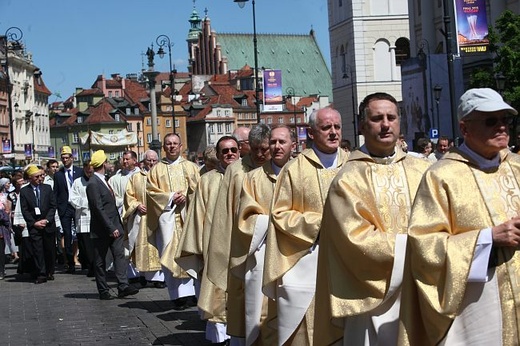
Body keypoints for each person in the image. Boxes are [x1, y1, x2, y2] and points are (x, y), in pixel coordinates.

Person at [398, 88, 520, 345]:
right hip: (478, 304)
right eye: (491, 121)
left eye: (505, 120)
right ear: (465, 128)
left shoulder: (516, 166)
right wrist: (488, 238)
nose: (501, 127)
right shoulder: (442, 176)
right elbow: (424, 245)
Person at [313, 93, 431, 345]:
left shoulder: (423, 170)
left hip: (423, 288)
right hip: (371, 296)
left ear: (400, 122)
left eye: (391, 117)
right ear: (363, 126)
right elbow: (354, 239)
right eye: (377, 118)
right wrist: (419, 248)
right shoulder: (349, 178)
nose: (386, 124)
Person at [263, 107, 349, 345]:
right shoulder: (295, 169)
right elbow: (280, 214)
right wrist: (318, 224)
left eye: (337, 127)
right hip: (308, 259)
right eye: (326, 128)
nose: (333, 133)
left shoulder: (354, 166)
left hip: (349, 260)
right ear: (311, 132)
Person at [229, 124, 296, 345]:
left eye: (280, 142)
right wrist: (273, 222)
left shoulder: (302, 174)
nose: (276, 148)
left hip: (296, 254)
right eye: (273, 143)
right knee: (262, 311)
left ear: (292, 146)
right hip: (263, 253)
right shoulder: (253, 179)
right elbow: (245, 219)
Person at [206, 124, 271, 344]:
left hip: (275, 247)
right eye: (255, 149)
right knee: (243, 302)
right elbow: (224, 215)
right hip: (242, 247)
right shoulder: (236, 171)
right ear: (247, 148)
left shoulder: (281, 167)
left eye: (265, 149)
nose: (260, 154)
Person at [175, 135, 240, 344]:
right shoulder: (207, 181)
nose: (230, 154)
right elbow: (197, 216)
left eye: (233, 150)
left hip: (243, 250)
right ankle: (221, 339)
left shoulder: (250, 176)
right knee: (217, 298)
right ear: (219, 156)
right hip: (215, 252)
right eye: (225, 151)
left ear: (239, 152)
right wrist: (200, 249)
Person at [146, 134, 200, 309]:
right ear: (163, 147)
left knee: (190, 252)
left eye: (175, 144)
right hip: (167, 219)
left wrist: (186, 196)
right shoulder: (156, 170)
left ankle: (193, 293)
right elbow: (151, 193)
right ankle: (176, 296)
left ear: (181, 146)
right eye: (168, 144)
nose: (172, 147)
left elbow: (200, 190)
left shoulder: (192, 167)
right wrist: (170, 197)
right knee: (170, 254)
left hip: (188, 218)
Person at [86, 150, 139, 300]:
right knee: (100, 260)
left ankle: (123, 286)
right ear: (103, 164)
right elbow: (98, 208)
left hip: (115, 225)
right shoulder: (93, 183)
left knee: (119, 255)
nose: (110, 164)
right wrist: (111, 227)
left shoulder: (103, 179)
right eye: (107, 162)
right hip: (102, 229)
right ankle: (103, 290)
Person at [123, 149, 164, 288]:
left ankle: (159, 278)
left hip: (158, 217)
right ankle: (142, 276)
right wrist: (137, 205)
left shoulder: (162, 175)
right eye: (148, 160)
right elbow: (129, 195)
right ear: (143, 161)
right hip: (142, 217)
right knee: (142, 246)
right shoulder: (136, 177)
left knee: (158, 245)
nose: (151, 163)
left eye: (154, 160)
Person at [19, 165, 57, 284]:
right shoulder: (24, 191)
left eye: (41, 176)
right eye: (37, 177)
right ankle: (41, 273)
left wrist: (47, 220)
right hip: (35, 225)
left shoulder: (47, 188)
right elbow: (24, 210)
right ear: (30, 177)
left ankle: (50, 270)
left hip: (48, 224)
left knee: (49, 249)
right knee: (37, 250)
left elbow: (52, 206)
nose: (40, 178)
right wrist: (34, 223)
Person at [108, 150, 141, 280]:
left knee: (137, 242)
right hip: (122, 215)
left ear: (134, 160)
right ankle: (127, 273)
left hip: (138, 215)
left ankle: (140, 272)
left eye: (128, 159)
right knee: (124, 245)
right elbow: (112, 197)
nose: (125, 161)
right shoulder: (115, 179)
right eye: (124, 159)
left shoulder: (142, 176)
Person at [54, 146, 83, 273]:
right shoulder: (58, 174)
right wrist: (56, 208)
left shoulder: (79, 171)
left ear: (72, 158)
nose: (65, 160)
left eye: (67, 158)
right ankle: (70, 262)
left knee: (80, 233)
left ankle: (82, 258)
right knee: (67, 235)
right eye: (63, 158)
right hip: (65, 208)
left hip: (77, 206)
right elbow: (56, 193)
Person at [69, 160, 95, 277]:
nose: (89, 172)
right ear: (84, 169)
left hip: (95, 217)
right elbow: (72, 199)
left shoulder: (98, 180)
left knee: (95, 244)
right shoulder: (77, 182)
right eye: (87, 170)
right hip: (83, 217)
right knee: (85, 245)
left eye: (91, 170)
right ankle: (89, 265)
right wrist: (88, 202)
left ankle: (96, 266)